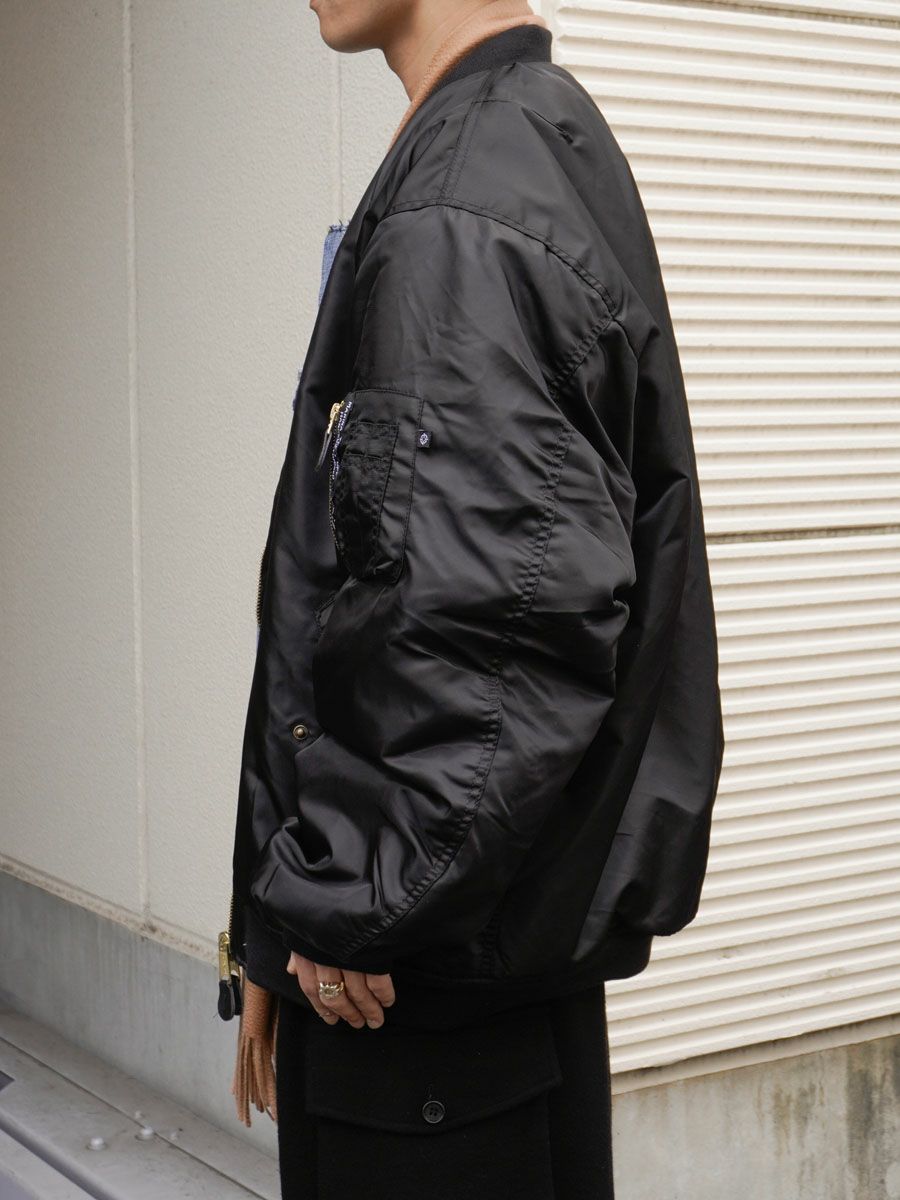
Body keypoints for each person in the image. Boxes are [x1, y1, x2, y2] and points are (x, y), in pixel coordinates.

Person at [222, 1, 725, 1196]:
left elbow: (496, 627)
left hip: (412, 1016)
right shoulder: (515, 145)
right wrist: (275, 919)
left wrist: (345, 900)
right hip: (468, 989)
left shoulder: (465, 197)